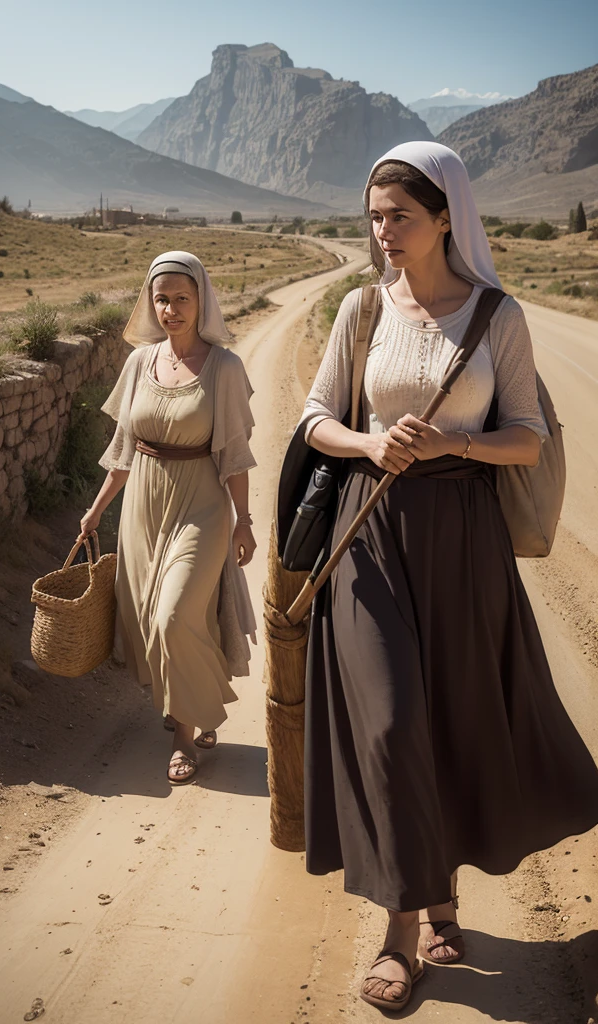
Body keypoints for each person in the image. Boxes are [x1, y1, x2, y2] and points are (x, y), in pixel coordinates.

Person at [299, 142, 598, 1011]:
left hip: (463, 541)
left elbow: (529, 436)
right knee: (390, 728)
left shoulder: (497, 316)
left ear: (444, 219)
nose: (382, 230)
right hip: (371, 538)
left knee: (452, 726)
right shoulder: (360, 311)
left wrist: (451, 441)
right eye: (374, 215)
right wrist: (368, 442)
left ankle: (442, 899)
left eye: (398, 215)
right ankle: (400, 934)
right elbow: (318, 417)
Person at [80, 251, 257, 786]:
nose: (172, 308)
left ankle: (184, 736)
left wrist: (244, 521)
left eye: (182, 298)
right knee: (151, 619)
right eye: (162, 299)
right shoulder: (140, 362)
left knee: (174, 617)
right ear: (150, 303)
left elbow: (234, 454)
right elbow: (123, 451)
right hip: (143, 508)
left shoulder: (225, 367)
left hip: (201, 504)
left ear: (202, 299)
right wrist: (94, 512)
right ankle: (193, 705)